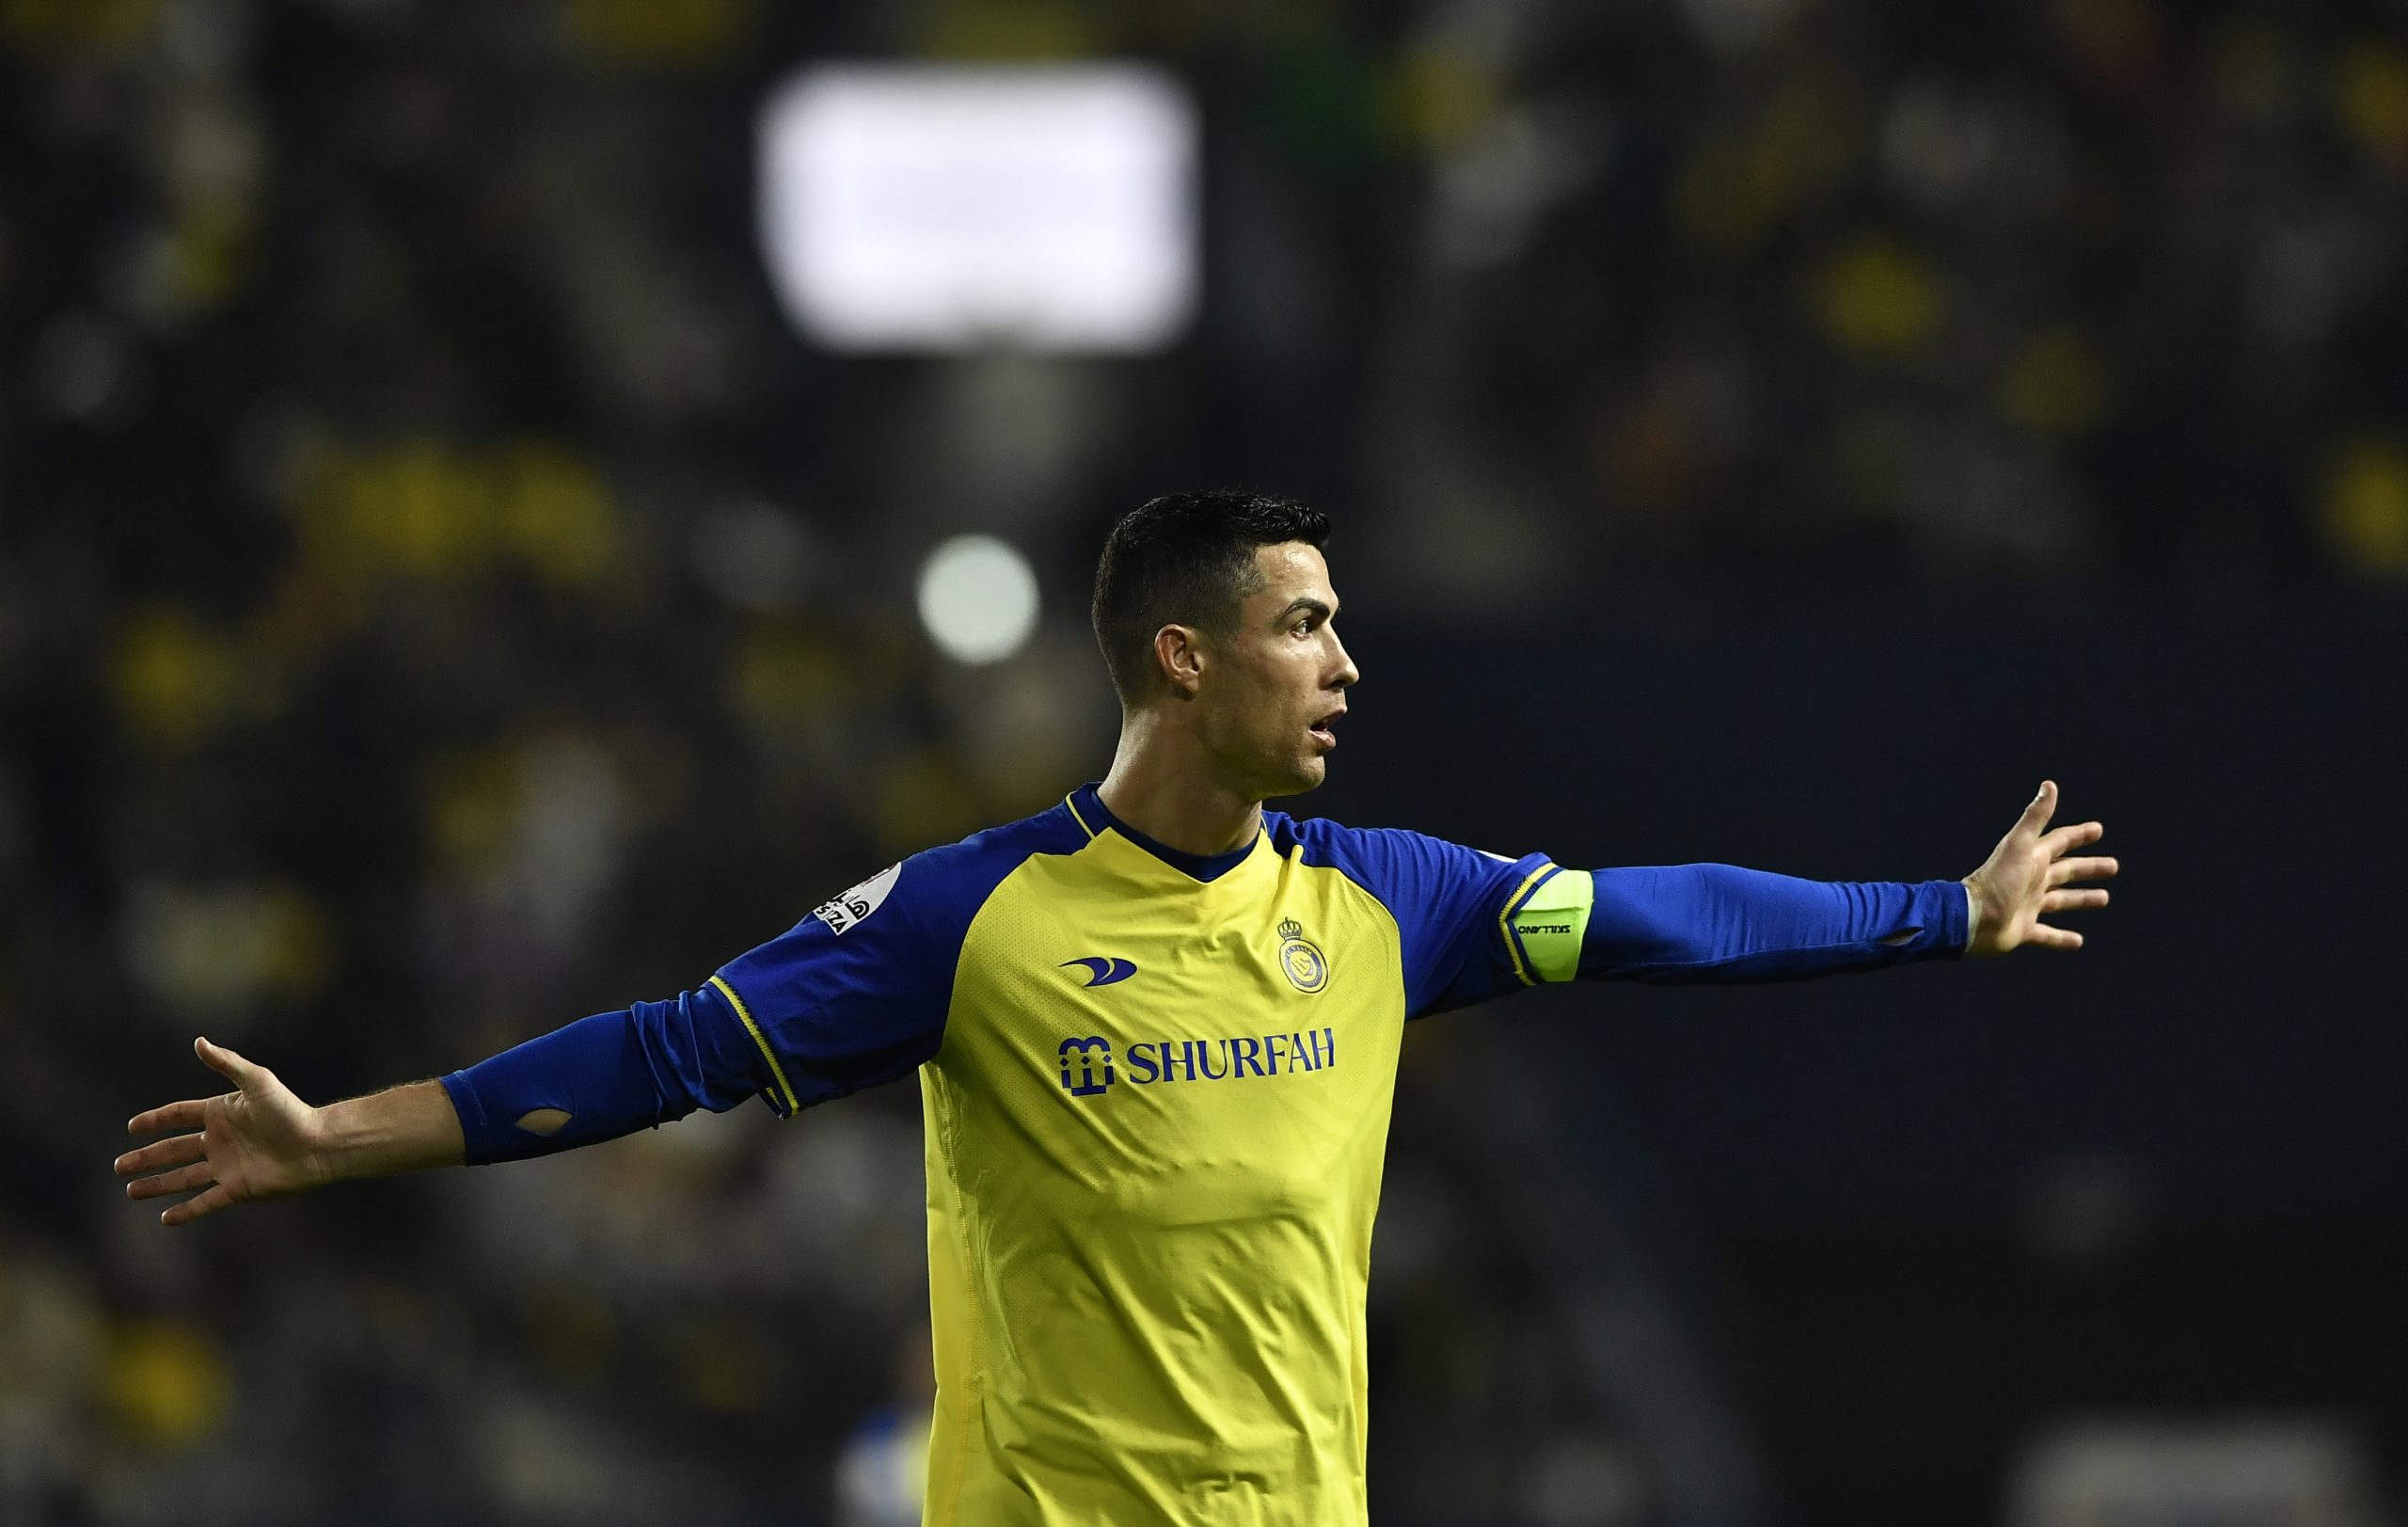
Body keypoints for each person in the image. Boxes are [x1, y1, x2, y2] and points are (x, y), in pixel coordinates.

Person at [116, 490, 2118, 1525]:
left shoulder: (1386, 900)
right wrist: (340, 1134)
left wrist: (1938, 913)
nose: (1343, 665)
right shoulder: (962, 919)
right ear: (1182, 656)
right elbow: (664, 1054)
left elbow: (1661, 917)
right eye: (1302, 625)